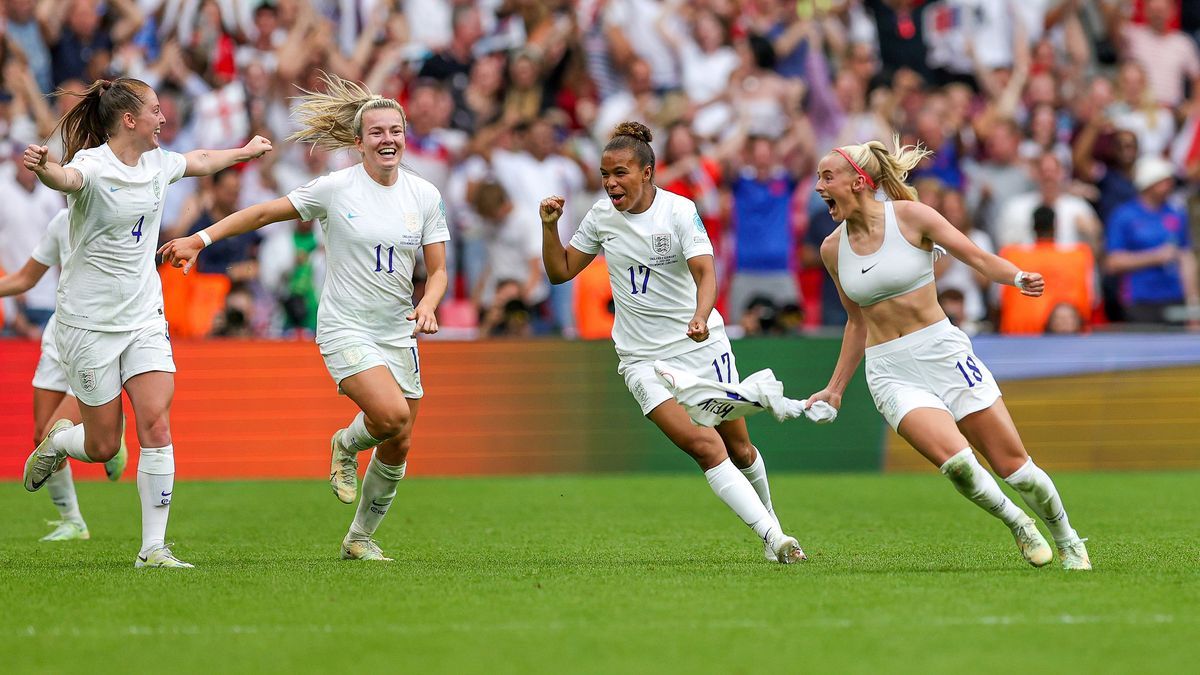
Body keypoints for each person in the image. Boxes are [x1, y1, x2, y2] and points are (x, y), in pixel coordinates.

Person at [159, 74, 450, 562]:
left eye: (395, 131)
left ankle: (359, 538)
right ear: (358, 143)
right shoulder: (337, 188)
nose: (388, 140)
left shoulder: (424, 195)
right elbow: (263, 214)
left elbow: (438, 270)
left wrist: (428, 303)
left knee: (398, 443)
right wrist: (200, 239)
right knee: (391, 416)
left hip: (397, 329)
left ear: (405, 135)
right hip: (345, 326)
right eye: (377, 132)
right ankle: (344, 441)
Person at [20, 77, 273, 569]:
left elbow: (198, 160)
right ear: (130, 120)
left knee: (156, 422)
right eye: (156, 110)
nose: (164, 119)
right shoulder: (91, 165)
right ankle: (59, 442)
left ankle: (152, 548)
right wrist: (46, 168)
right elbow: (66, 181)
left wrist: (243, 152)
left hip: (143, 316)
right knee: (102, 444)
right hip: (89, 323)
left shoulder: (158, 163)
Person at [806, 137, 1091, 570]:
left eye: (827, 176)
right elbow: (856, 322)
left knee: (1015, 467)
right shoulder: (832, 248)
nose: (818, 186)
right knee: (957, 464)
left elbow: (976, 257)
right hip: (890, 371)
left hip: (942, 351)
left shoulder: (913, 217)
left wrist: (1016, 277)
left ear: (859, 181)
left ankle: (1068, 537)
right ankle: (1017, 523)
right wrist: (835, 389)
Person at [539, 121, 806, 564]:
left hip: (702, 347)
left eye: (620, 173)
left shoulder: (679, 211)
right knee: (705, 446)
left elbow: (705, 271)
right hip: (643, 360)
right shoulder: (601, 217)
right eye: (605, 174)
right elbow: (561, 271)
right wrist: (550, 227)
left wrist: (702, 316)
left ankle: (770, 526)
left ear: (647, 172)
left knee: (739, 448)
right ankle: (776, 538)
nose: (610, 183)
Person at [0, 209, 127, 541]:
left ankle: (109, 429)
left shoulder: (121, 212)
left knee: (53, 438)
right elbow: (25, 278)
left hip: (94, 336)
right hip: (59, 333)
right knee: (40, 435)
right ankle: (73, 522)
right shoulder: (62, 220)